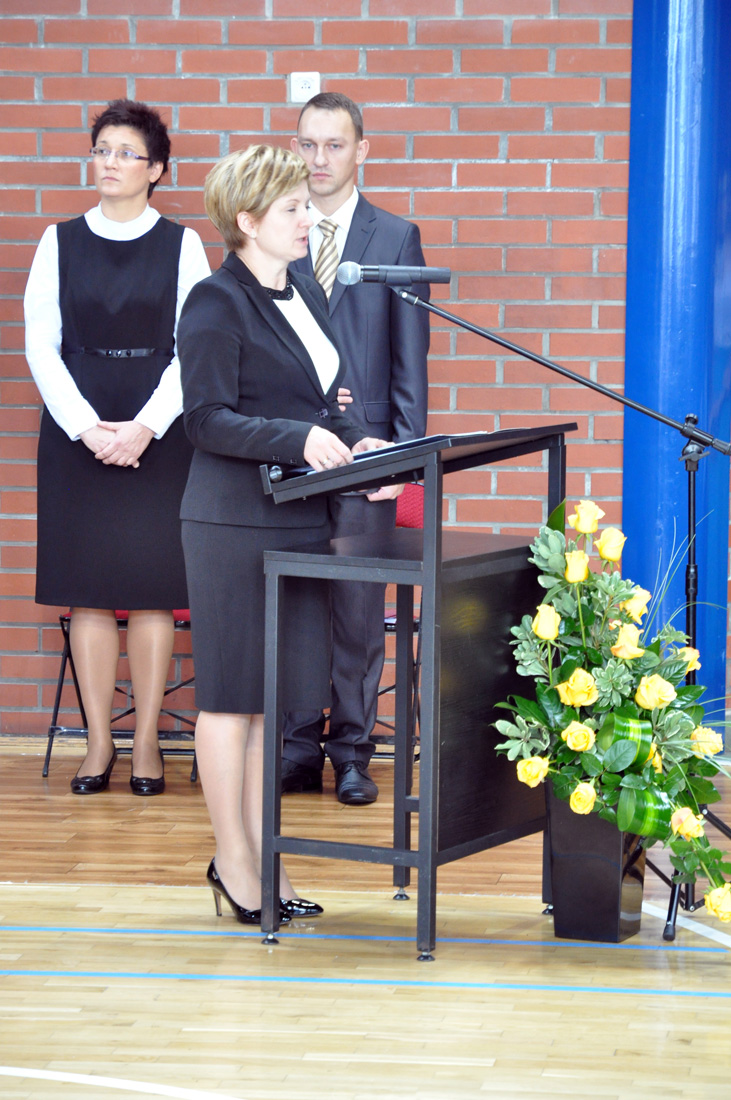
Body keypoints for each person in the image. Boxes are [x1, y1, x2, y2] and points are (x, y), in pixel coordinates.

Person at [177, 144, 388, 925]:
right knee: (232, 699)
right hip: (233, 522)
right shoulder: (214, 301)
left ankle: (268, 857)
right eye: (293, 208)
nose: (309, 219)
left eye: (307, 205)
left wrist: (363, 449)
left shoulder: (305, 290)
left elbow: (324, 403)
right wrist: (298, 439)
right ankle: (232, 861)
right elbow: (206, 419)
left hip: (300, 518)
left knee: (273, 706)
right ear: (246, 219)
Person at [24, 99, 210, 797]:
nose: (110, 162)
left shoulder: (183, 245)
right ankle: (99, 741)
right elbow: (40, 345)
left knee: (154, 591)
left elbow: (194, 349)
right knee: (90, 593)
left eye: (126, 152)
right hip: (77, 431)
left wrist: (145, 427)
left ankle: (148, 742)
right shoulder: (59, 240)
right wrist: (86, 427)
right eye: (102, 149)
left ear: (156, 169)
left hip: (158, 432)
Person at [282, 92, 430, 805]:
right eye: (307, 144)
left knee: (357, 613)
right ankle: (293, 749)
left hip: (367, 456)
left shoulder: (395, 237)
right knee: (294, 604)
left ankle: (351, 753)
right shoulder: (272, 230)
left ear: (361, 150)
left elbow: (409, 362)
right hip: (290, 451)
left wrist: (400, 463)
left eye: (334, 145)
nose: (319, 159)